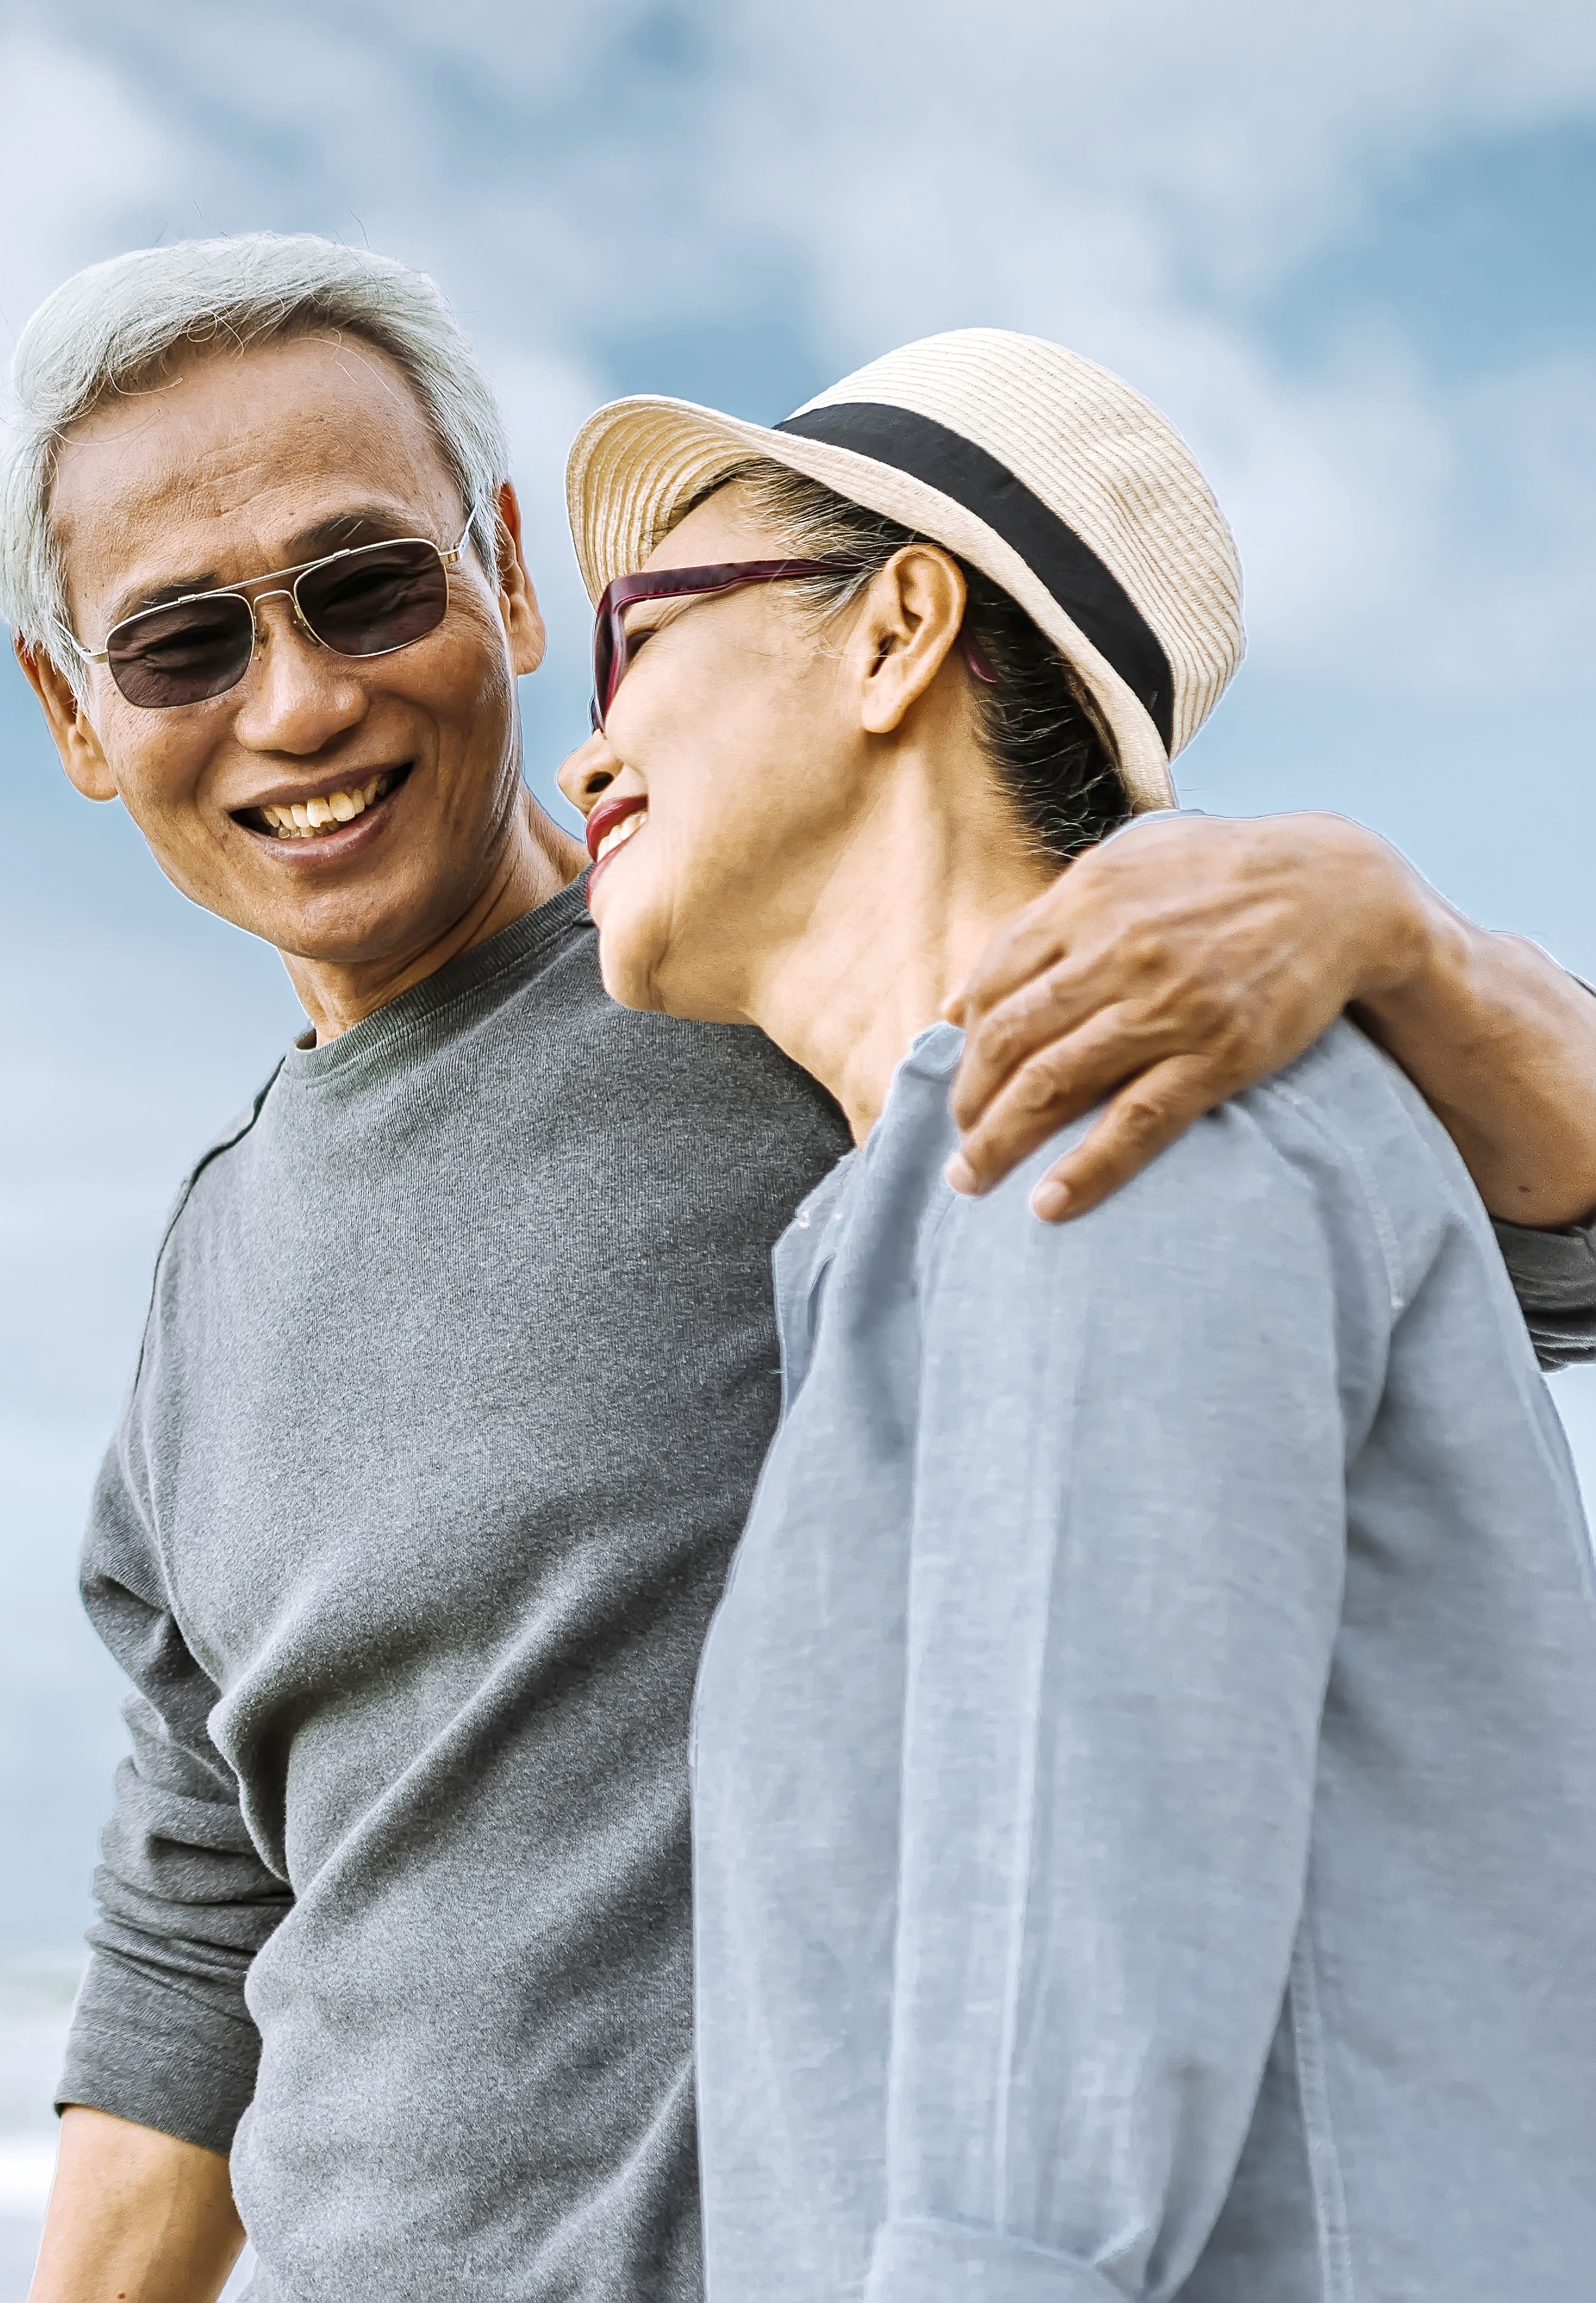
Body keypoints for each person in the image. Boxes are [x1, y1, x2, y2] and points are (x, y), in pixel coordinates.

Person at [0, 233, 1596, 2303]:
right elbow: (199, 1908)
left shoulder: (880, 1006)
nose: (297, 701)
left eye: (366, 588)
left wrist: (1406, 934)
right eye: (183, 644)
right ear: (77, 714)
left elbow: (1470, 1255)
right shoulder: (213, 1272)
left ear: (505, 579)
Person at [556, 330, 1596, 2299]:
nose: (584, 752)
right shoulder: (949, 1202)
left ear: (896, 634)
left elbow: (1042, 2113)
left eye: (638, 637)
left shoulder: (1107, 1100)